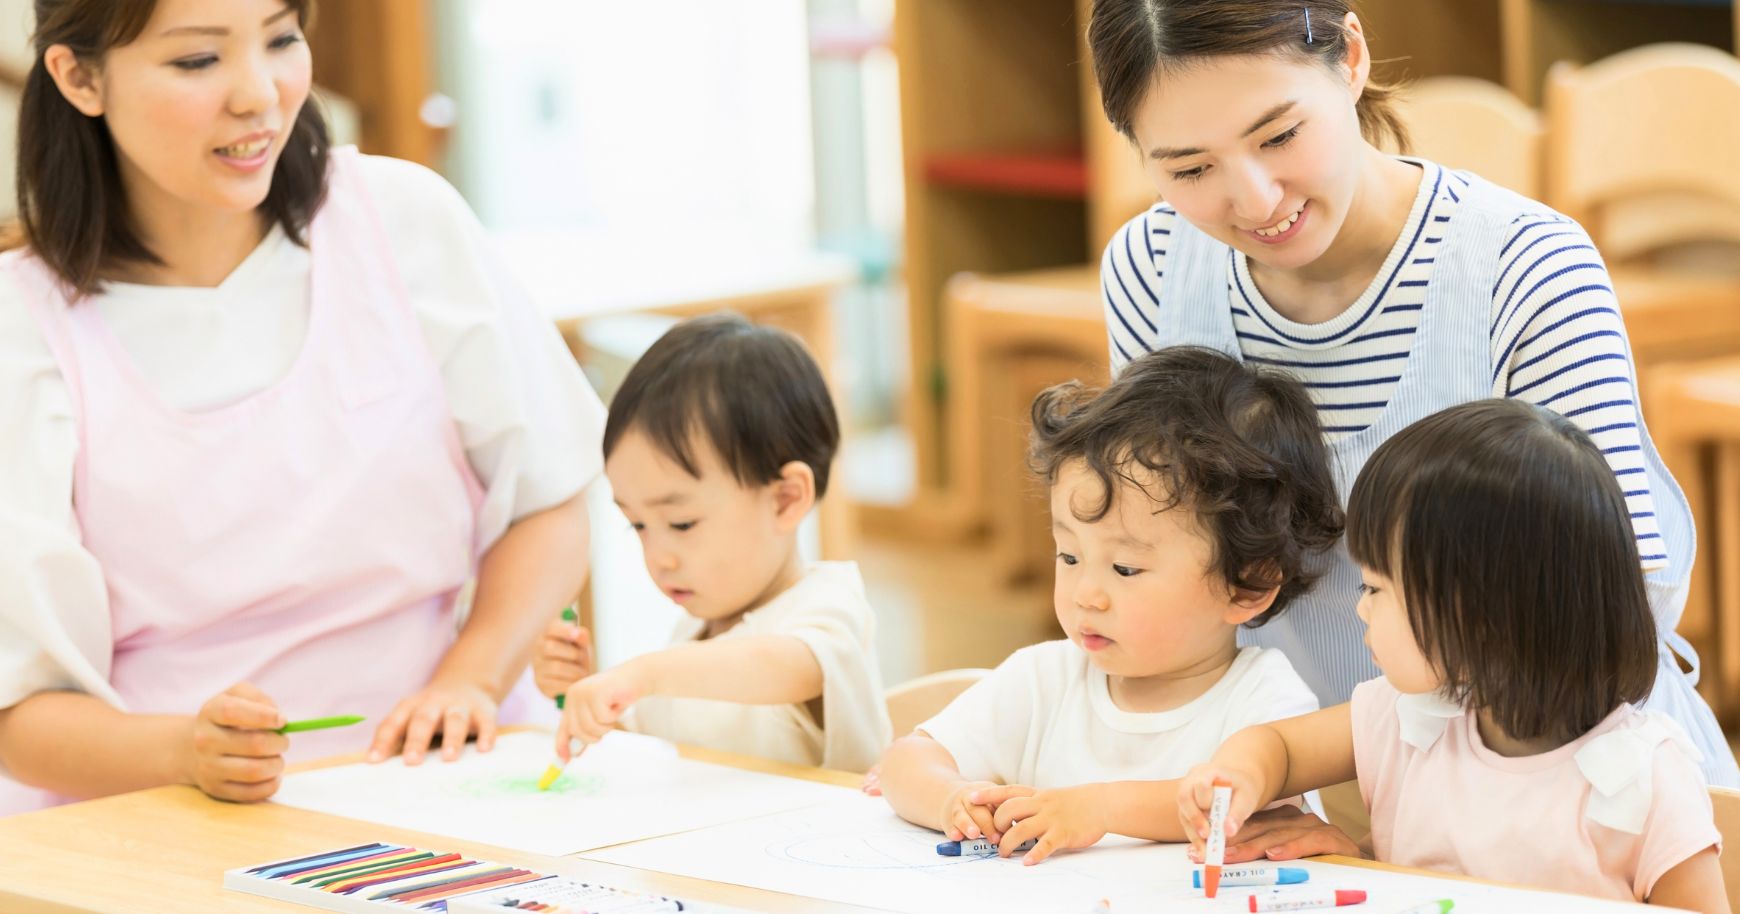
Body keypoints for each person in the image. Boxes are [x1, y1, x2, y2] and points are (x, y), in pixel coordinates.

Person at [1088, 0, 1736, 795]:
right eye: (1190, 169)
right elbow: (1164, 562)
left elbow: (1599, 622)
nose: (1254, 200)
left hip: (1559, 787)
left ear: (1351, 56)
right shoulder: (1152, 270)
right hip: (1291, 790)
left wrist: (1313, 756)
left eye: (1280, 135)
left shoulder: (1525, 267)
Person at [0, 0, 605, 814]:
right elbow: (16, 713)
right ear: (79, 78)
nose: (259, 94)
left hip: (462, 780)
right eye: (196, 61)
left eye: (281, 40)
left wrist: (470, 680)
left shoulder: (403, 220)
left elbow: (552, 501)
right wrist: (186, 753)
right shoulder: (23, 328)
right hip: (168, 819)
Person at [1179, 400, 1727, 912]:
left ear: (1479, 618)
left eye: (1375, 589)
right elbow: (1279, 746)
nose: (1361, 611)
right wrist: (1240, 779)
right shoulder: (1408, 722)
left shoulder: (1641, 782)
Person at [877, 347, 1340, 864]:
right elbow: (906, 759)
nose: (1084, 594)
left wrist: (1100, 809)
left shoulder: (1265, 700)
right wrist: (952, 798)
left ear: (1246, 586)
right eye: (1069, 555)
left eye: (1124, 569)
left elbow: (1228, 810)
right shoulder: (1044, 678)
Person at [534, 313, 891, 772]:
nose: (657, 558)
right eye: (637, 526)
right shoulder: (693, 633)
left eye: (680, 524)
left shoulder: (827, 609)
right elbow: (670, 762)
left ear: (785, 499)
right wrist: (591, 701)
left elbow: (783, 666)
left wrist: (642, 675)